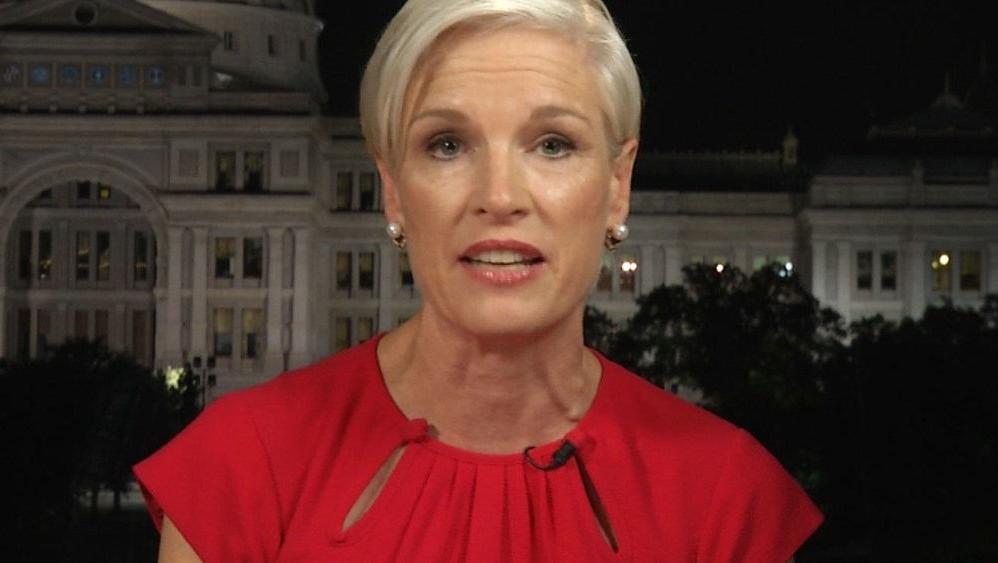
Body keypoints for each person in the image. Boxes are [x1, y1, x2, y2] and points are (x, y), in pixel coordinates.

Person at [135, 0, 823, 561]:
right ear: (393, 190)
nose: (499, 196)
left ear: (618, 186)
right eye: (447, 145)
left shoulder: (722, 494)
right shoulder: (243, 468)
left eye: (552, 144)